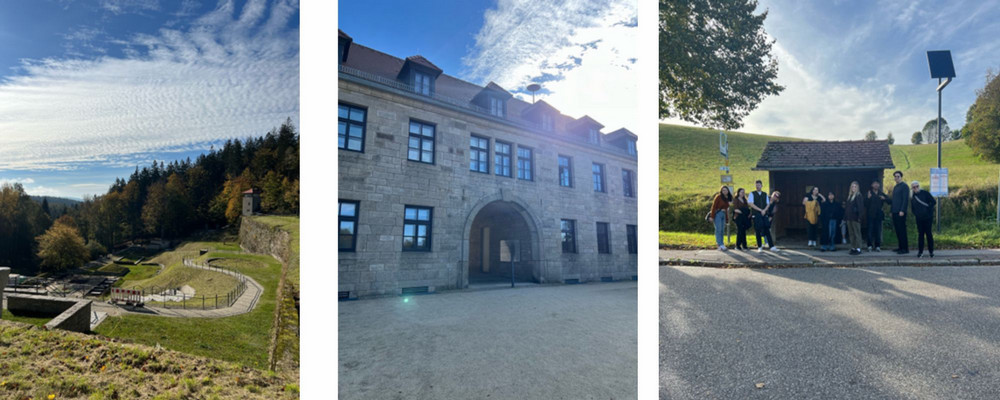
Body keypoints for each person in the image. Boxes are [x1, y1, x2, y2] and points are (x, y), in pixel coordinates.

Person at [910, 181, 936, 258]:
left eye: (917, 186)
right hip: (919, 218)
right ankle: (920, 251)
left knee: (929, 234)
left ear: (919, 186)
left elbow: (933, 202)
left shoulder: (925, 193)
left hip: (928, 218)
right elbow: (913, 208)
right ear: (912, 188)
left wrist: (928, 211)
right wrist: (916, 214)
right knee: (920, 235)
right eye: (914, 187)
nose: (916, 188)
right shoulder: (913, 197)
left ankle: (931, 251)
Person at [748, 180, 774, 251]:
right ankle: (759, 246)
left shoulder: (765, 194)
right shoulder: (752, 194)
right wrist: (760, 210)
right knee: (758, 230)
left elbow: (768, 204)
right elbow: (751, 204)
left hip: (764, 213)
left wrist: (764, 210)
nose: (757, 186)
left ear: (761, 186)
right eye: (756, 185)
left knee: (767, 229)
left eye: (759, 185)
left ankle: (771, 246)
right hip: (756, 214)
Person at [705, 186, 733, 251]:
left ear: (728, 191)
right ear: (721, 191)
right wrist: (712, 216)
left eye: (726, 190)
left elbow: (727, 208)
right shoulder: (718, 197)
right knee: (718, 229)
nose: (724, 191)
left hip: (724, 214)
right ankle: (719, 244)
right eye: (723, 190)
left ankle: (722, 244)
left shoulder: (728, 198)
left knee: (722, 230)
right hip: (718, 214)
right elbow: (714, 207)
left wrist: (727, 219)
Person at [891, 170, 910, 254]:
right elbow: (894, 200)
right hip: (895, 211)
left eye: (898, 176)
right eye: (895, 176)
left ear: (901, 177)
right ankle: (900, 247)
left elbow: (905, 199)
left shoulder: (904, 186)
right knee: (897, 230)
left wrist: (902, 210)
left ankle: (905, 248)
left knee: (902, 230)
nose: (896, 178)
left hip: (900, 212)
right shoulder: (896, 187)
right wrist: (892, 211)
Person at [845, 181, 866, 255]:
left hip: (855, 218)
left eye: (855, 186)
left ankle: (858, 248)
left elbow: (861, 208)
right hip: (849, 218)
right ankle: (853, 247)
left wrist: (860, 217)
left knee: (857, 233)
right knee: (851, 234)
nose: (853, 188)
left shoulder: (858, 196)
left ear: (857, 188)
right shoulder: (850, 196)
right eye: (852, 186)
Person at [866, 181, 888, 252]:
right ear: (872, 185)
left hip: (878, 215)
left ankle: (877, 246)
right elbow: (864, 204)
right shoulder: (869, 193)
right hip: (870, 215)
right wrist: (868, 198)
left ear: (879, 185)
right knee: (870, 231)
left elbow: (890, 201)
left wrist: (884, 198)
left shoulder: (881, 193)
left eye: (877, 183)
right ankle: (869, 245)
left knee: (878, 231)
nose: (876, 185)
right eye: (874, 183)